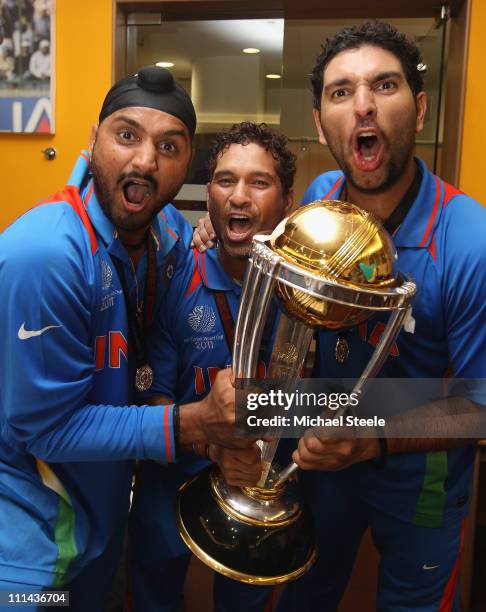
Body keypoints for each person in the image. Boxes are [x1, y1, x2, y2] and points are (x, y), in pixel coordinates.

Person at [192, 21, 486, 612]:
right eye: (341, 92)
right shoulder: (324, 198)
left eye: (385, 86)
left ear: (421, 109)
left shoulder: (470, 239)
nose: (364, 107)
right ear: (322, 121)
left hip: (418, 477)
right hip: (321, 453)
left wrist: (371, 436)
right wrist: (217, 237)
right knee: (308, 594)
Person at [0, 65, 246, 612]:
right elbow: (47, 432)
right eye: (126, 135)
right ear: (94, 141)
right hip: (27, 540)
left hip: (100, 521)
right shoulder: (46, 253)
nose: (143, 160)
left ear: (188, 167)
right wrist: (190, 422)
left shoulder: (168, 235)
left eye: (169, 145)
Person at [128, 121, 295, 612]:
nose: (238, 197)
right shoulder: (177, 273)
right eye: (225, 180)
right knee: (154, 592)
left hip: (260, 481)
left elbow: (329, 395)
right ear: (210, 194)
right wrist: (211, 443)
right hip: (175, 472)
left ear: (287, 201)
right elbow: (152, 394)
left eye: (258, 182)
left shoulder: (304, 291)